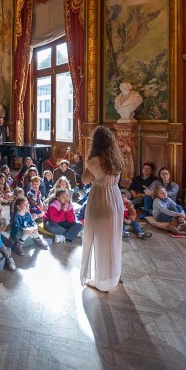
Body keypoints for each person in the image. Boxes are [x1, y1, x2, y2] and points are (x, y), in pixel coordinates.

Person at [80, 125, 123, 292]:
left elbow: (84, 180)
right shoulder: (117, 159)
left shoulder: (94, 161)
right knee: (113, 240)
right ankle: (114, 275)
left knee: (99, 241)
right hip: (115, 199)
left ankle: (102, 281)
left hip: (100, 200)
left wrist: (87, 163)